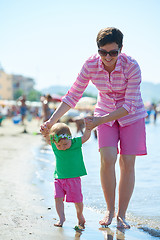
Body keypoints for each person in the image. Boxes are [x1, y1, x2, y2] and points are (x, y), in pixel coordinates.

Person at [40, 27, 147, 229]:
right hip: (104, 112)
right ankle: (109, 209)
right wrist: (51, 122)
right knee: (107, 159)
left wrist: (98, 121)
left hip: (131, 115)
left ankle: (121, 214)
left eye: (113, 52)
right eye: (103, 52)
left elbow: (129, 106)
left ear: (121, 49)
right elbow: (72, 95)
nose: (108, 57)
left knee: (127, 163)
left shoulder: (132, 66)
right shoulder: (90, 64)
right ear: (98, 49)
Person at [45, 122, 91, 228]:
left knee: (77, 200)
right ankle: (61, 218)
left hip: (73, 179)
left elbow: (85, 137)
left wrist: (88, 129)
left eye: (65, 144)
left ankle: (80, 215)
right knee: (57, 198)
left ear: (70, 137)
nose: (62, 147)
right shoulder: (55, 145)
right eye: (59, 145)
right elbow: (48, 139)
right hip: (59, 178)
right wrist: (45, 133)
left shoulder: (75, 143)